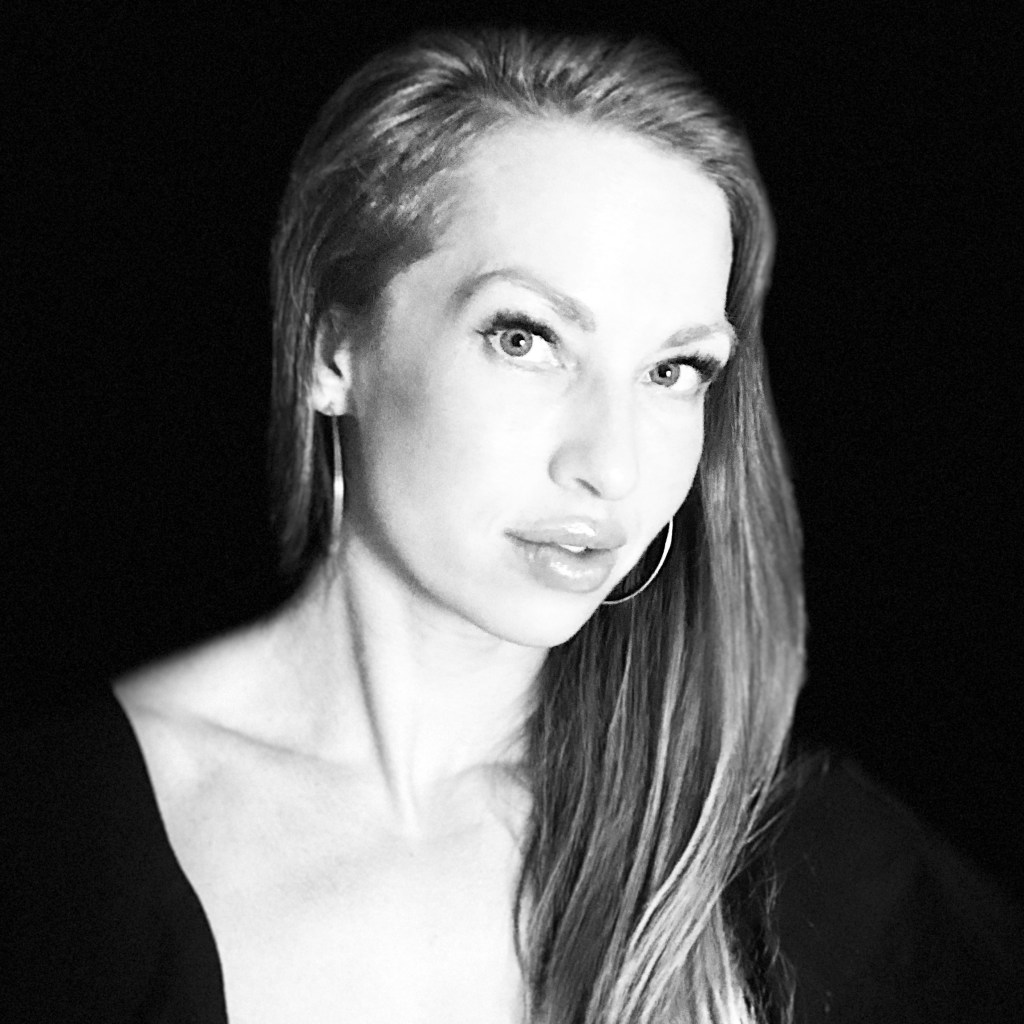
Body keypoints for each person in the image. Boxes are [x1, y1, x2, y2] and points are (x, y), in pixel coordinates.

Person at [3, 24, 1020, 1024]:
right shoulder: (58, 844)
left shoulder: (803, 869)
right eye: (526, 338)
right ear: (329, 350)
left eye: (674, 370)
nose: (611, 465)